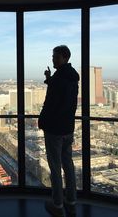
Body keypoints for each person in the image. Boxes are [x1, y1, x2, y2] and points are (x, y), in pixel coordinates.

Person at [38, 45, 79, 217]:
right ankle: (71, 201)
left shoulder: (60, 78)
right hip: (67, 128)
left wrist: (42, 120)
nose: (52, 59)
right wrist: (49, 79)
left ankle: (57, 204)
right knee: (68, 165)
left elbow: (52, 103)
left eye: (55, 56)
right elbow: (63, 97)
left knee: (55, 167)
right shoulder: (70, 77)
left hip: (54, 129)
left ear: (63, 57)